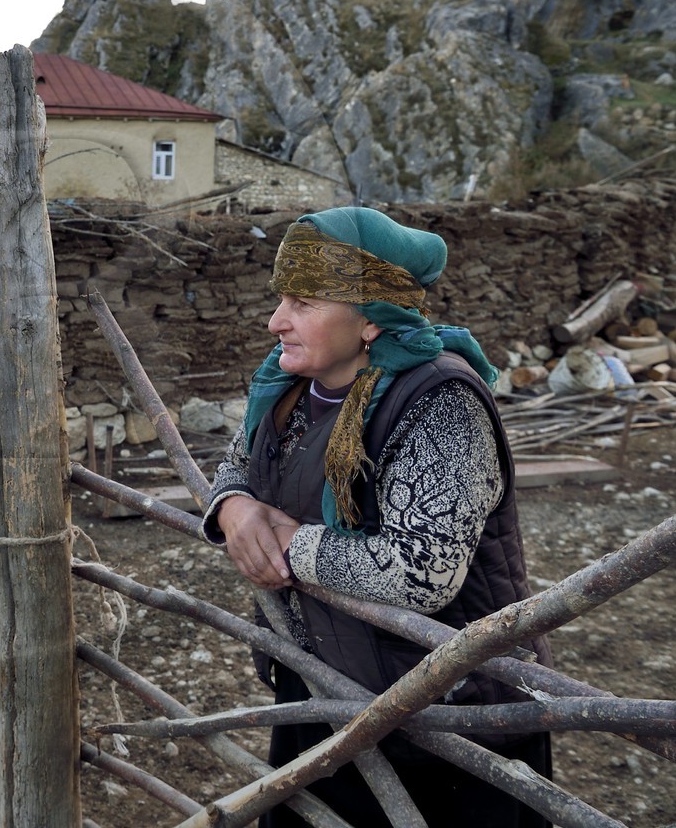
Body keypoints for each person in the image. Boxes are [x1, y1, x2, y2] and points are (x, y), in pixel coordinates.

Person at [202, 206, 552, 828]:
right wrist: (233, 508)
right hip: (323, 687)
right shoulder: (283, 386)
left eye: (304, 302)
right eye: (282, 297)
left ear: (372, 318)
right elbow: (238, 466)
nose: (276, 320)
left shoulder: (440, 401)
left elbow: (423, 573)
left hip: (443, 716)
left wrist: (293, 548)